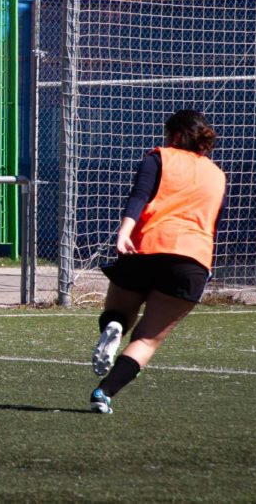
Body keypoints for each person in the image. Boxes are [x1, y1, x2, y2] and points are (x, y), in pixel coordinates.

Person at [88, 109, 227, 414]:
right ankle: (104, 393)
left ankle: (113, 327)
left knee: (117, 313)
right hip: (191, 260)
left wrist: (124, 231)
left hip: (145, 248)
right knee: (147, 339)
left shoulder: (159, 157)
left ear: (175, 135)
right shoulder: (217, 175)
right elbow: (214, 220)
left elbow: (139, 195)